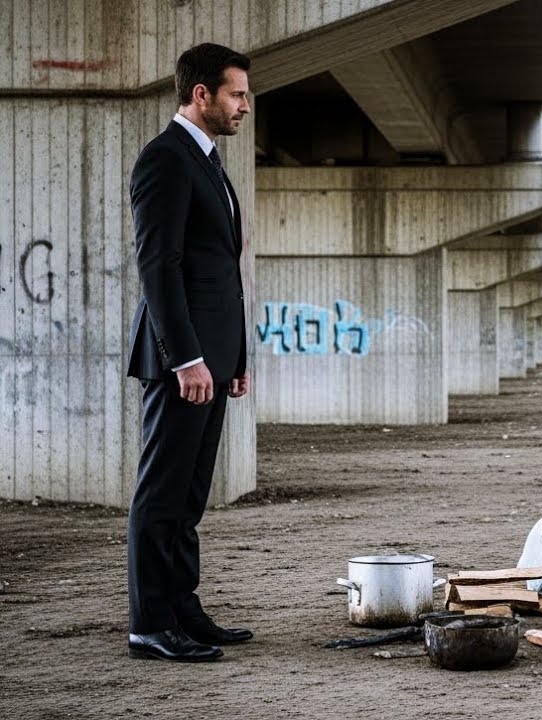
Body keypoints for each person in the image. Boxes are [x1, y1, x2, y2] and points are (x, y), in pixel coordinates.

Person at [125, 43, 254, 662]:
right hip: (183, 362)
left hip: (212, 358)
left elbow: (222, 271)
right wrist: (186, 358)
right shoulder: (166, 159)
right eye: (236, 94)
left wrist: (236, 357)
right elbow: (159, 266)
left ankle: (182, 608)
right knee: (162, 492)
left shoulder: (207, 161)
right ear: (200, 94)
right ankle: (149, 622)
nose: (244, 106)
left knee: (190, 496)